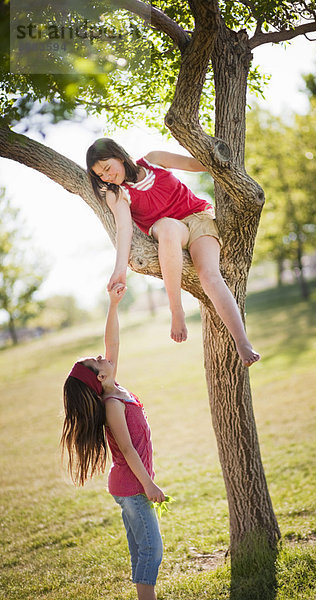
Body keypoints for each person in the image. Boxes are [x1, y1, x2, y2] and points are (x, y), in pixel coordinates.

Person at [86, 137, 260, 367]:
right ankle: (176, 310)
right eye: (101, 175)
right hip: (169, 230)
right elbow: (123, 229)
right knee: (167, 226)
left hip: (198, 218)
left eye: (107, 169)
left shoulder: (154, 160)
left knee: (209, 275)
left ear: (119, 156)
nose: (106, 177)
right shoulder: (117, 193)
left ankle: (242, 342)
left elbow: (192, 164)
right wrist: (119, 271)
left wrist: (222, 154)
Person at [61, 284, 164, 600]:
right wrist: (149, 485)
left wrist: (113, 305)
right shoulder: (112, 406)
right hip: (132, 487)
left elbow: (112, 340)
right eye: (96, 361)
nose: (102, 356)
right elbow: (129, 450)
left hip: (128, 485)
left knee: (141, 546)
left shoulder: (113, 387)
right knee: (151, 549)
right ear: (100, 378)